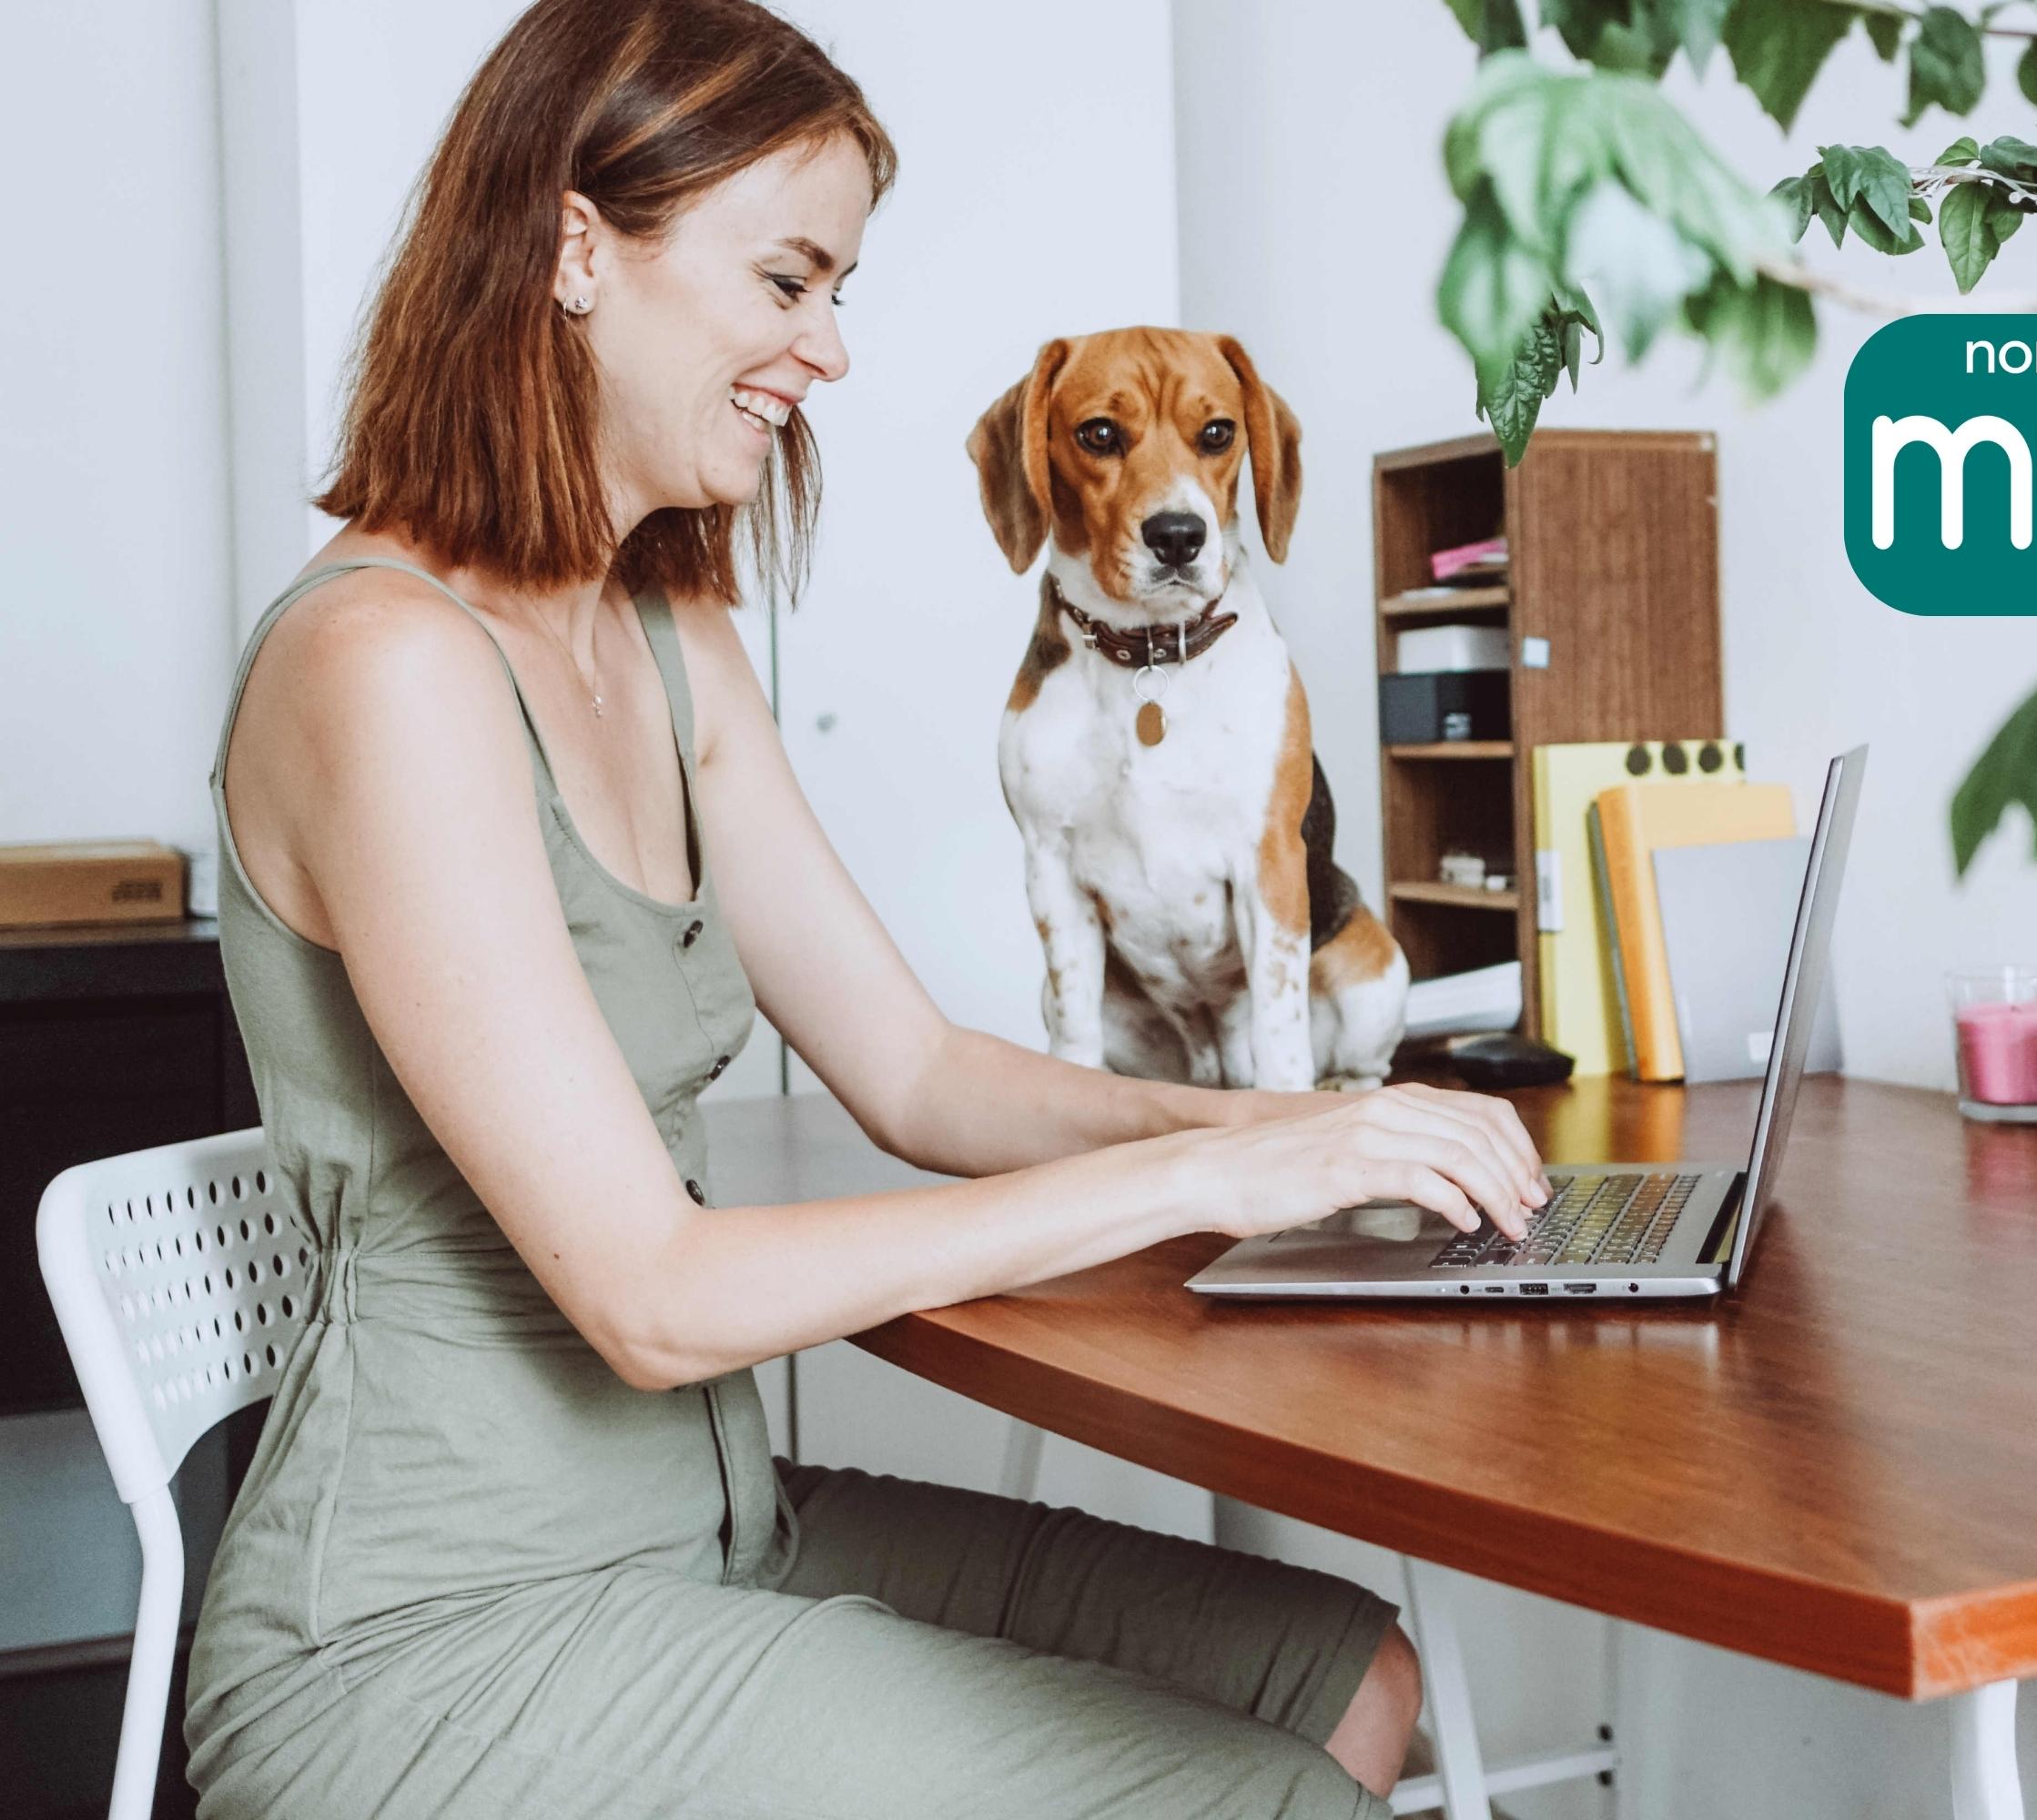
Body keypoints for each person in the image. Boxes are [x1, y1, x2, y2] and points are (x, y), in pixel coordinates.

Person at [183, 2, 1549, 1815]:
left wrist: (1305, 1130)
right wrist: (1205, 1178)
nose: (828, 347)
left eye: (841, 288)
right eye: (788, 280)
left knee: (1348, 1672)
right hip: (432, 1629)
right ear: (580, 245)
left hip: (717, 1523)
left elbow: (915, 1072)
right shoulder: (383, 667)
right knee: (1270, 1794)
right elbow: (655, 1298)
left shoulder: (668, 635)